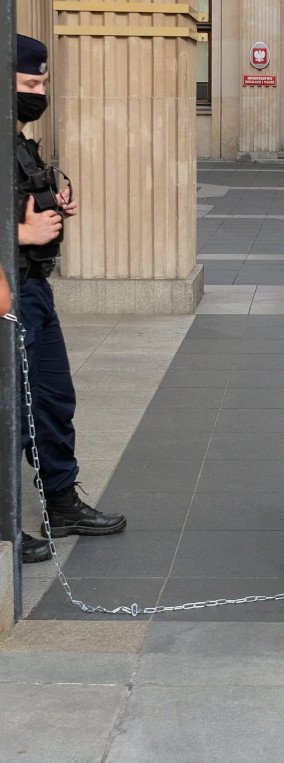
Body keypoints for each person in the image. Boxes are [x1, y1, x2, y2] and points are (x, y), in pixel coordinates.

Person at [13, 34, 127, 565]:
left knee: (52, 398)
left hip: (34, 289)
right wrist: (21, 236)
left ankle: (60, 503)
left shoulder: (20, 141)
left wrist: (50, 203)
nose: (41, 93)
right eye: (31, 84)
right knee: (12, 408)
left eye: (44, 83)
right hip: (6, 291)